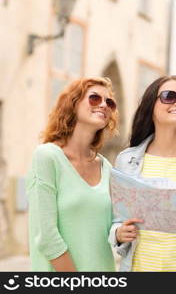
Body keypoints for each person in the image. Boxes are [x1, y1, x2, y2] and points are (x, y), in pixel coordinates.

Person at [108, 75, 176, 272]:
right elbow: (117, 219)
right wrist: (119, 233)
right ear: (151, 106)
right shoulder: (126, 160)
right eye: (169, 96)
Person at [26, 77, 118, 271]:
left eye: (109, 102)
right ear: (73, 104)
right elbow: (46, 236)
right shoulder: (47, 157)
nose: (104, 105)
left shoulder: (107, 167)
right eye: (94, 98)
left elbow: (112, 229)